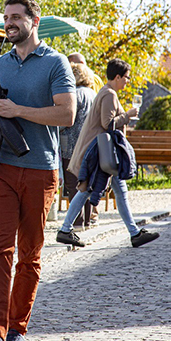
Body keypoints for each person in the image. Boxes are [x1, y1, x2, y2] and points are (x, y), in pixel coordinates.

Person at [0, 0, 76, 341]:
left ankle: (17, 331)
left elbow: (67, 115)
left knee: (29, 255)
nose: (9, 22)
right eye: (6, 17)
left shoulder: (55, 63)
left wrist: (18, 109)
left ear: (35, 20)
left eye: (16, 17)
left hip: (40, 170)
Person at [55, 59, 160, 250]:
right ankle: (65, 229)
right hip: (99, 152)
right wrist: (128, 115)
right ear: (117, 77)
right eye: (127, 77)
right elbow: (107, 123)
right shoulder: (109, 94)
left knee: (117, 191)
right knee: (87, 189)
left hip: (102, 152)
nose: (128, 81)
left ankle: (134, 232)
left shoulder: (106, 92)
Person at [59, 62, 97, 228]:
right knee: (86, 184)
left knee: (73, 184)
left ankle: (77, 221)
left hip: (72, 146)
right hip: (91, 145)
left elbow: (67, 119)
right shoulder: (92, 93)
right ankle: (87, 220)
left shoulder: (75, 94)